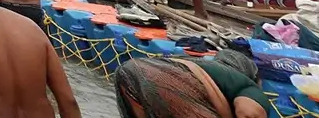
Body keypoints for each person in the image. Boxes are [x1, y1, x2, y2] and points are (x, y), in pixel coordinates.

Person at [115, 49, 268, 118]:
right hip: (164, 79)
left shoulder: (210, 69)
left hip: (131, 71)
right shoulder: (248, 86)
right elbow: (249, 113)